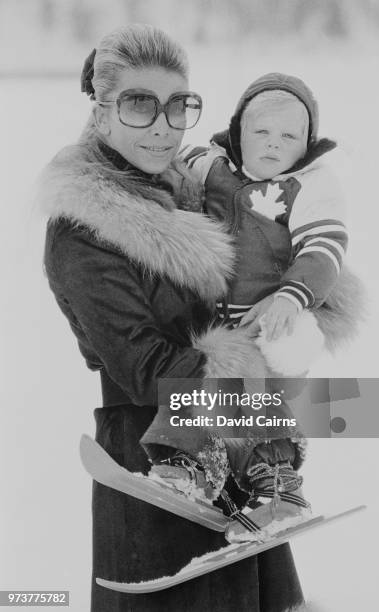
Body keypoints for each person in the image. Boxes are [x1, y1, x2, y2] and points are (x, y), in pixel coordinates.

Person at [39, 24, 308, 612]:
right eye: (139, 104)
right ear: (101, 110)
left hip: (238, 449)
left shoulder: (199, 193)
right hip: (153, 464)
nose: (163, 125)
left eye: (178, 105)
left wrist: (299, 297)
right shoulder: (84, 230)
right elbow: (143, 368)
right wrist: (248, 371)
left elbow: (262, 274)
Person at [144, 73, 365, 539]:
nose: (272, 145)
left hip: (274, 319)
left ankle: (280, 492)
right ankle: (194, 468)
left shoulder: (309, 184)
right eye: (261, 132)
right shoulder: (210, 165)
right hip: (216, 319)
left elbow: (324, 246)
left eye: (288, 136)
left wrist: (291, 295)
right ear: (238, 130)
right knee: (207, 391)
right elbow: (173, 180)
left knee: (260, 404)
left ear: (307, 143)